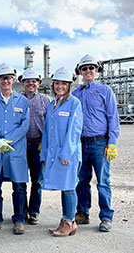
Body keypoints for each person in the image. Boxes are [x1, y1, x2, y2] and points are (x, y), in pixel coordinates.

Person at [73, 55, 120, 232]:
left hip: (100, 143)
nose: (88, 71)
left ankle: (106, 217)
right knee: (82, 180)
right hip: (80, 144)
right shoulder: (75, 94)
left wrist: (112, 142)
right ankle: (82, 213)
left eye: (91, 68)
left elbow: (113, 118)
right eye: (85, 68)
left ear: (97, 70)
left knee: (103, 181)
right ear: (80, 71)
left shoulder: (105, 91)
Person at [0, 63, 29, 235]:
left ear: (13, 79)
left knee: (19, 186)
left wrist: (8, 140)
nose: (5, 81)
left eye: (8, 77)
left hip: (15, 151)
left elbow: (25, 125)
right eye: (2, 78)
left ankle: (19, 219)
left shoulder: (22, 101)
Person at [40, 67, 83, 237]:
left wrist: (66, 154)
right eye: (57, 83)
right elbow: (47, 132)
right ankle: (65, 220)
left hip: (68, 154)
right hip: (54, 154)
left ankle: (70, 222)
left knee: (69, 186)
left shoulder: (74, 103)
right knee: (64, 187)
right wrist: (44, 154)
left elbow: (74, 131)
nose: (60, 86)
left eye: (63, 83)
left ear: (69, 85)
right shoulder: (52, 105)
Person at [19, 68, 50, 225]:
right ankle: (22, 211)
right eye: (27, 81)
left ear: (38, 83)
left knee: (37, 181)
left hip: (38, 144)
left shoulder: (46, 100)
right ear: (22, 83)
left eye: (34, 80)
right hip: (21, 145)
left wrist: (46, 144)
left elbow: (50, 124)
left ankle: (34, 211)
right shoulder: (16, 100)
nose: (31, 83)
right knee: (21, 180)